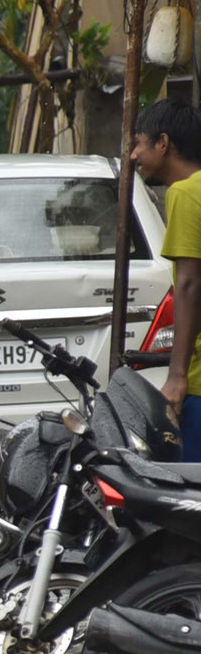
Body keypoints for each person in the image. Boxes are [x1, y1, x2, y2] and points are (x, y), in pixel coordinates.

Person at [132, 98, 201, 460]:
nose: (134, 155)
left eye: (139, 143)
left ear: (163, 143)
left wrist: (176, 378)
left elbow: (190, 284)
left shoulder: (185, 193)